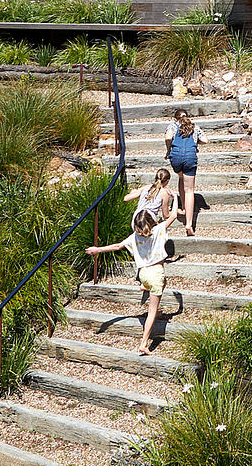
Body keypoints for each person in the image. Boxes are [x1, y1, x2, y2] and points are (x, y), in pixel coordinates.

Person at [84, 208, 171, 355]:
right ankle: (144, 343)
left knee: (163, 282)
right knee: (152, 310)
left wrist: (97, 250)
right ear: (151, 221)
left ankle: (145, 286)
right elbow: (173, 215)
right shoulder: (159, 229)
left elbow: (117, 246)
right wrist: (174, 197)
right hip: (156, 274)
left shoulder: (134, 237)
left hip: (143, 274)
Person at [164, 108, 204, 235]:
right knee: (189, 190)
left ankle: (183, 207)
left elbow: (168, 137)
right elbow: (205, 140)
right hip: (190, 158)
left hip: (175, 158)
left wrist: (168, 150)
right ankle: (188, 224)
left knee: (181, 178)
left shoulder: (173, 125)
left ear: (175, 118)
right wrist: (196, 140)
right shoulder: (194, 126)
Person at [124, 168, 178, 237]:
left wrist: (134, 191)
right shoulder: (164, 193)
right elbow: (166, 215)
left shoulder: (146, 187)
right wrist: (177, 210)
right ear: (167, 181)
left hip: (137, 218)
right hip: (148, 220)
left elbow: (126, 198)